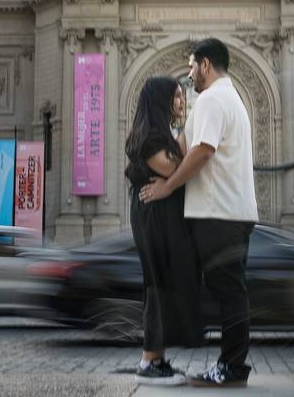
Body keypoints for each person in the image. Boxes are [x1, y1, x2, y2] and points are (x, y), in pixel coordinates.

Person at [139, 38, 258, 388]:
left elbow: (203, 150)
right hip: (231, 212)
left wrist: (169, 186)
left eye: (191, 66)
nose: (189, 74)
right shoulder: (229, 98)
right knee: (231, 292)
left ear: (205, 65)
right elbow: (187, 145)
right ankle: (231, 366)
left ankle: (232, 368)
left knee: (230, 294)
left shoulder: (210, 99)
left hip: (218, 214)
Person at [125, 76, 203, 386]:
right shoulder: (147, 136)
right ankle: (148, 359)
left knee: (165, 282)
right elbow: (173, 167)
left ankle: (157, 358)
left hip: (161, 216)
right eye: (176, 97)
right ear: (160, 100)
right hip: (153, 216)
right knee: (157, 283)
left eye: (182, 97)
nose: (181, 102)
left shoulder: (160, 133)